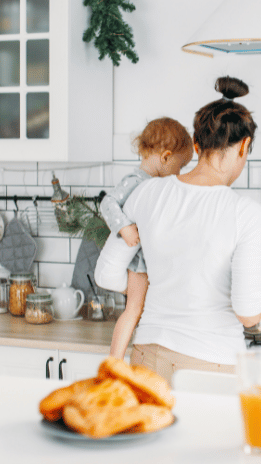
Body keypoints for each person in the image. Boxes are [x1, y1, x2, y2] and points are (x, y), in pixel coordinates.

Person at [95, 76, 261, 383]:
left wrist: (167, 280)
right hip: (212, 364)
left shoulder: (147, 193)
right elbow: (248, 314)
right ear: (245, 146)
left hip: (148, 356)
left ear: (197, 145)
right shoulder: (245, 213)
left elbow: (107, 274)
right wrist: (260, 290)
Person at [99, 117, 194, 360]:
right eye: (179, 165)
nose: (179, 172)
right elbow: (108, 203)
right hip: (140, 262)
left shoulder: (158, 186)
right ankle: (115, 360)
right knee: (134, 309)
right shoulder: (136, 181)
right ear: (165, 157)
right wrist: (124, 228)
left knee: (145, 309)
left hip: (153, 261)